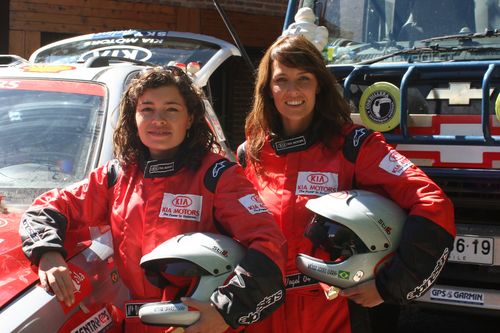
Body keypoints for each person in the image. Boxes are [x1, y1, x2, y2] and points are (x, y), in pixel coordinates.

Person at [19, 66, 287, 333]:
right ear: (133, 117)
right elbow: (48, 207)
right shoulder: (116, 176)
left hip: (200, 323)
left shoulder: (218, 176)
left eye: (171, 109)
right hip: (138, 322)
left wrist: (225, 311)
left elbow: (269, 243)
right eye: (147, 109)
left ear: (190, 118)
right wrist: (47, 252)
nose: (158, 119)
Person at [237, 35, 455, 333]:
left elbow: (432, 202)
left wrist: (389, 285)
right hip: (262, 312)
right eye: (281, 80)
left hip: (333, 312)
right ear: (267, 88)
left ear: (319, 86)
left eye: (304, 78)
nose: (293, 90)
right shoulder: (250, 154)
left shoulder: (354, 146)